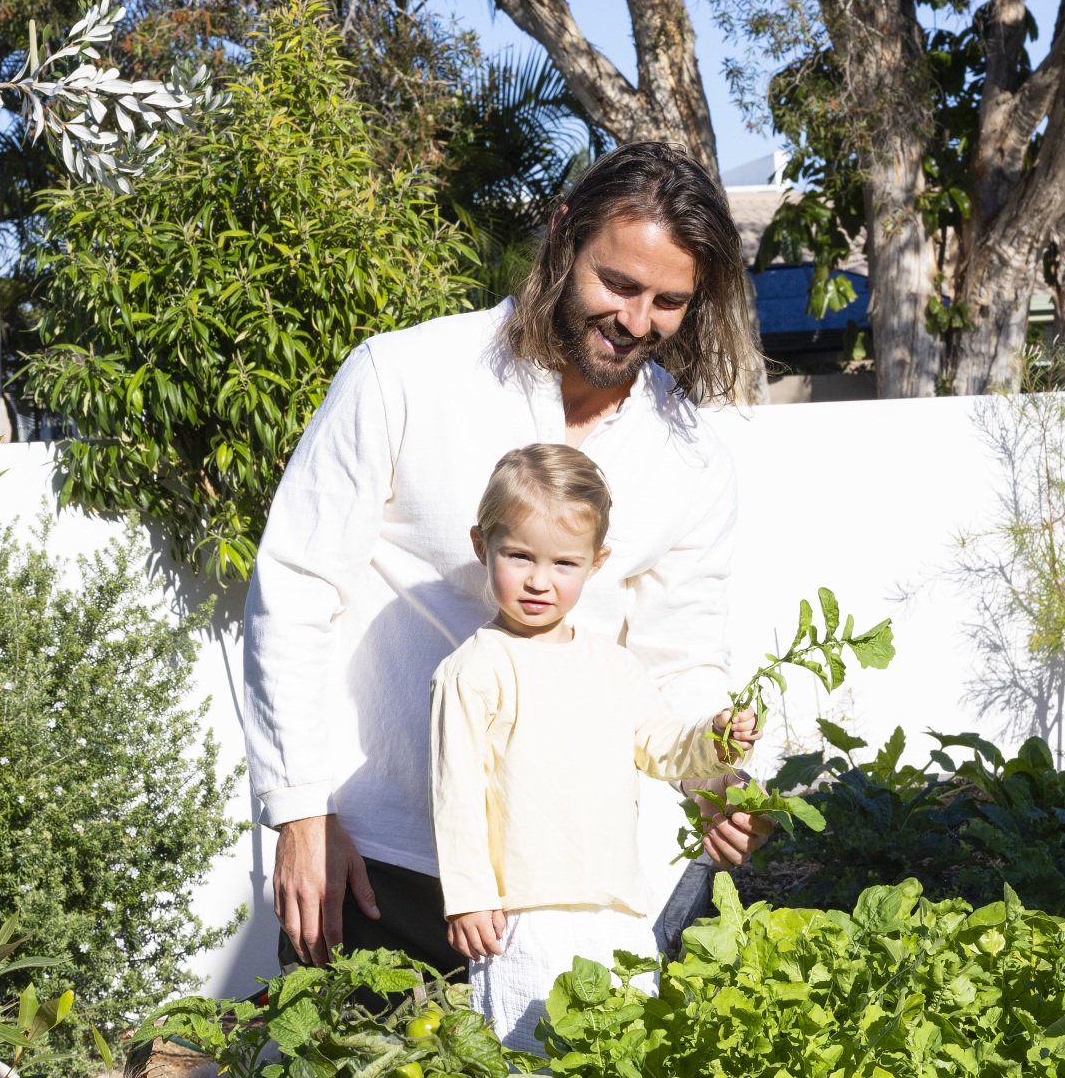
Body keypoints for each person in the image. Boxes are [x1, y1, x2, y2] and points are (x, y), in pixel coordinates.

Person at [243, 139, 765, 973]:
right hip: (376, 863)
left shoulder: (692, 456)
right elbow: (296, 590)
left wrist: (717, 771)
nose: (637, 323)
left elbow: (680, 655)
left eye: (668, 302)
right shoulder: (404, 375)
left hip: (562, 895)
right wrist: (301, 812)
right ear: (563, 236)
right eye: (619, 284)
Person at [430, 446, 752, 1047]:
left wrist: (715, 739)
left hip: (617, 907)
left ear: (597, 563)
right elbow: (456, 796)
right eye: (518, 556)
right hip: (522, 913)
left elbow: (663, 745)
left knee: (624, 1059)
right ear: (482, 547)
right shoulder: (473, 670)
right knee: (528, 1069)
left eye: (563, 564)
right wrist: (468, 897)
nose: (538, 581)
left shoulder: (613, 664)